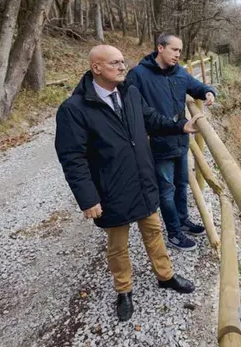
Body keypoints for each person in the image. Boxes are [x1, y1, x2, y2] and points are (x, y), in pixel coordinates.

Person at [54, 45, 198, 322]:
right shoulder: (74, 109)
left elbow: (150, 119)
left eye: (123, 62)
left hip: (142, 179)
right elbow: (72, 158)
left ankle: (165, 276)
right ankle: (124, 290)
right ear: (96, 68)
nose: (122, 67)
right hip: (111, 187)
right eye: (115, 63)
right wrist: (88, 198)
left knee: (154, 231)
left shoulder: (129, 92)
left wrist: (180, 126)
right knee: (118, 244)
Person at [127, 34, 216, 251]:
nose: (178, 54)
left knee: (182, 185)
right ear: (160, 48)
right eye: (174, 49)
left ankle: (183, 220)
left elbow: (196, 86)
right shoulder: (138, 75)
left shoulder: (179, 73)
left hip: (180, 141)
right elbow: (141, 112)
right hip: (158, 144)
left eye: (180, 51)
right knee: (166, 190)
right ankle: (174, 233)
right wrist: (176, 126)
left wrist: (208, 92)